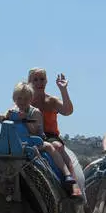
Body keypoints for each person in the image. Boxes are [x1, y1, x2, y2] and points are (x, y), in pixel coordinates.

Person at [0, 82, 79, 196]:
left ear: (30, 99)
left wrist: (25, 121)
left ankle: (66, 174)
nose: (22, 101)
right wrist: (0, 118)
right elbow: (1, 117)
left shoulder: (35, 112)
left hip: (32, 141)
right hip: (14, 142)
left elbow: (36, 131)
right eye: (19, 98)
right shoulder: (12, 110)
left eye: (25, 99)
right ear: (14, 99)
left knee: (50, 147)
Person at [28, 67, 81, 196]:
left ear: (46, 81)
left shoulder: (51, 100)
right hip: (30, 135)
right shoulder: (25, 100)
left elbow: (68, 111)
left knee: (57, 146)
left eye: (42, 79)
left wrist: (63, 90)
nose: (39, 82)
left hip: (50, 137)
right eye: (35, 79)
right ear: (29, 82)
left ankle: (72, 182)